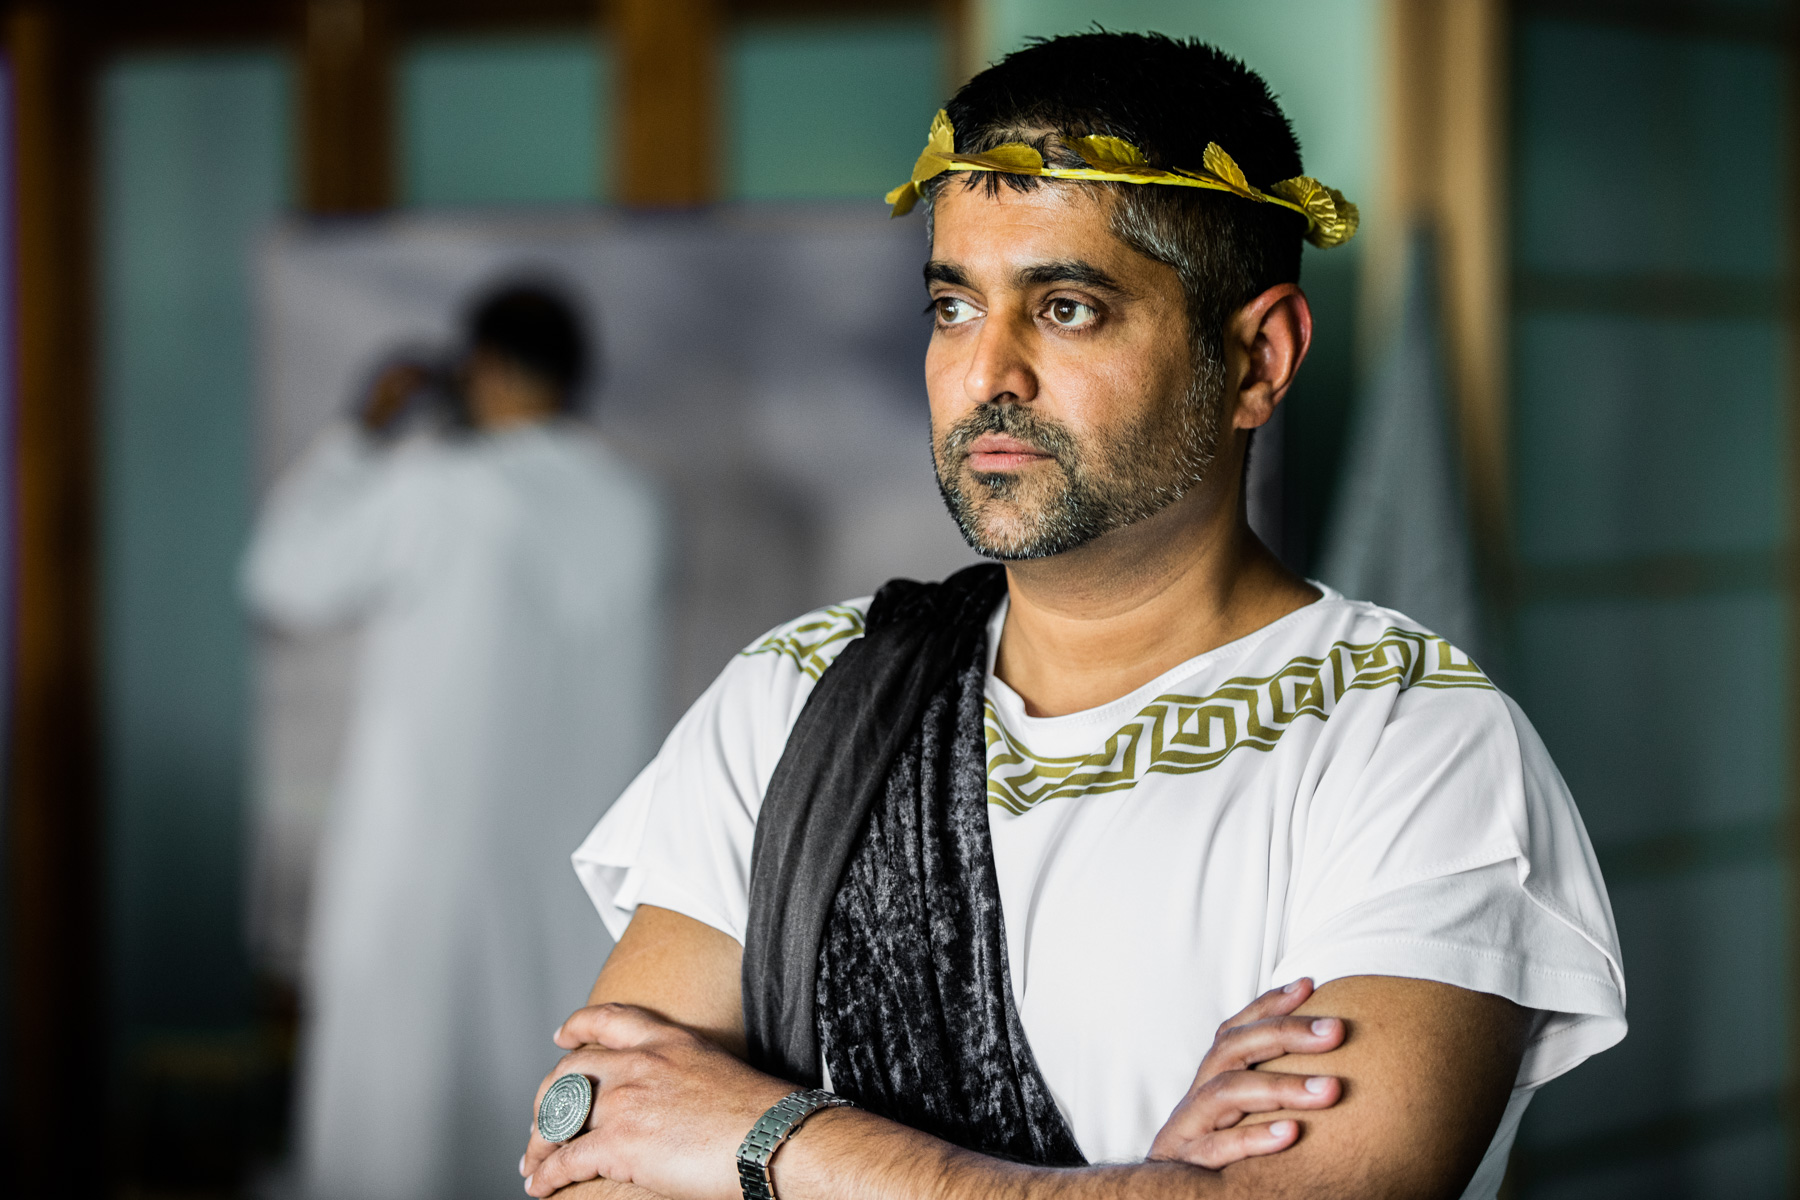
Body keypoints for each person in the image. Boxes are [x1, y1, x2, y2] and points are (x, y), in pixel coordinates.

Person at [523, 32, 1624, 1200]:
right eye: (954, 306)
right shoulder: (801, 692)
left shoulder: (1408, 744)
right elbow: (593, 1156)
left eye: (1066, 307)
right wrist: (1140, 1185)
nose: (987, 373)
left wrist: (767, 1137)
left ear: (1258, 358)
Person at [244, 283, 668, 1200]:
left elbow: (281, 576)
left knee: (404, 1116)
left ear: (483, 367)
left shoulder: (444, 489)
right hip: (573, 877)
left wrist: (359, 434)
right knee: (540, 1100)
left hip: (426, 870)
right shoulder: (632, 504)